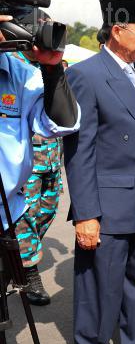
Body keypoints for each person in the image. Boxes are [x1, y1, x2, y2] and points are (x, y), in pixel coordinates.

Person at [64, 0, 135, 344]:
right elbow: (79, 151)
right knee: (100, 284)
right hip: (107, 203)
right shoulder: (86, 75)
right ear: (118, 32)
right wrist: (86, 214)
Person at [0, 14, 79, 232]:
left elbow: (64, 124)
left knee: (45, 215)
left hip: (9, 213)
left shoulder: (25, 76)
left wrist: (53, 68)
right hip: (30, 179)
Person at [9, 10, 65, 306]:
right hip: (26, 162)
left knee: (46, 213)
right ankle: (28, 271)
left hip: (52, 159)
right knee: (24, 218)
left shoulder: (53, 65)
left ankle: (17, 257)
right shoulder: (12, 65)